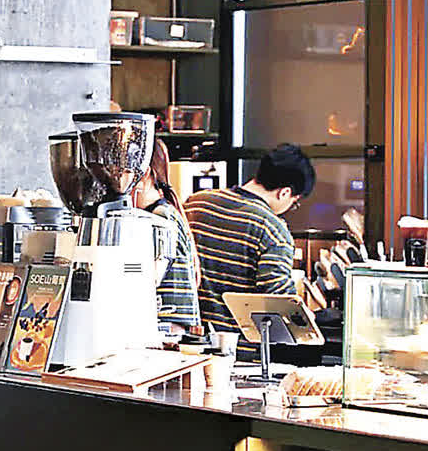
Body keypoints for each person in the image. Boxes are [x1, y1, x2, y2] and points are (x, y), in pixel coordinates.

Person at [185, 144, 315, 357]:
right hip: (238, 353)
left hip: (188, 345)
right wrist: (304, 315)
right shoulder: (272, 229)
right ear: (285, 192)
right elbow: (278, 302)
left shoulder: (196, 203)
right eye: (294, 203)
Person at [132, 138, 201, 335]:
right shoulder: (159, 212)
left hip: (170, 329)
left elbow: (150, 278)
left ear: (145, 174)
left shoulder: (160, 217)